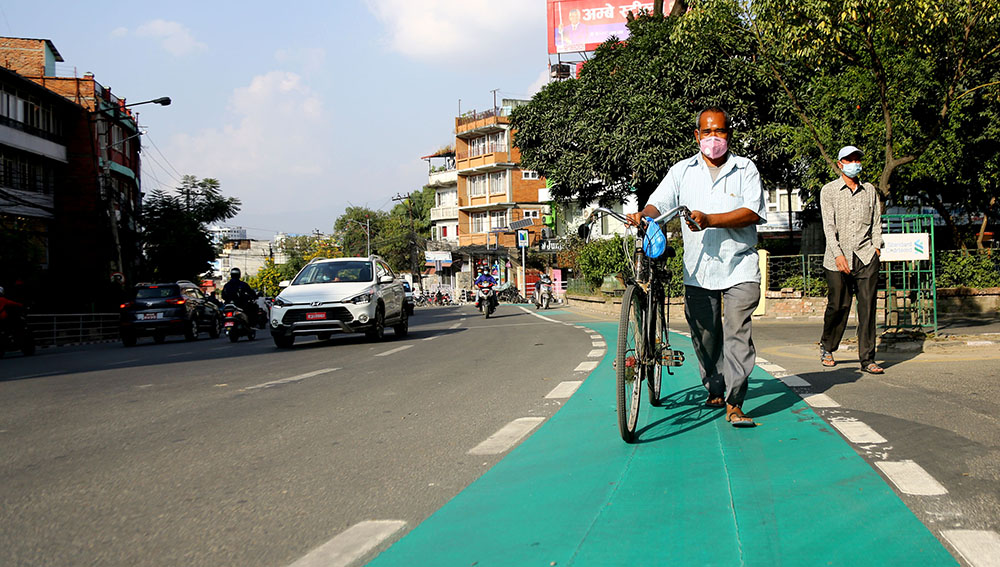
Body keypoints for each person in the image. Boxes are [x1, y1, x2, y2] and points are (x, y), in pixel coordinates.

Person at [628, 107, 767, 428]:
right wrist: (646, 215)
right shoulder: (682, 171)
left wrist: (710, 220)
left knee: (737, 335)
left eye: (719, 132)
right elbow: (658, 202)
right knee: (704, 336)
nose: (713, 138)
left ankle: (735, 403)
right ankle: (715, 388)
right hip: (698, 271)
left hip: (740, 267)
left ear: (729, 135)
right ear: (697, 136)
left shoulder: (745, 168)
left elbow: (752, 212)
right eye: (707, 132)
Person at [819, 145, 885, 374]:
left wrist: (877, 247)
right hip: (837, 257)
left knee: (867, 308)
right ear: (840, 164)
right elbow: (828, 226)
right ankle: (827, 346)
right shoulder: (829, 191)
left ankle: (868, 359)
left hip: (866, 255)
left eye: (857, 159)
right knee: (839, 305)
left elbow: (877, 222)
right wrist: (838, 254)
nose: (854, 163)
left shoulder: (870, 191)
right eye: (849, 159)